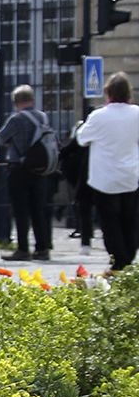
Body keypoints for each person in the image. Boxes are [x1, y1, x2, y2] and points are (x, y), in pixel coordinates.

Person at [76, 71, 139, 270]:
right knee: (130, 221)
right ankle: (128, 258)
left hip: (104, 179)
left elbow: (81, 138)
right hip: (130, 176)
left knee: (110, 223)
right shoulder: (137, 113)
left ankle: (119, 261)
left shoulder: (98, 116)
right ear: (129, 93)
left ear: (108, 93)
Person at [0, 86, 56, 261]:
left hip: (20, 168)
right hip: (40, 169)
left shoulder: (17, 119)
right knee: (38, 209)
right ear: (32, 99)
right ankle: (42, 248)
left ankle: (23, 248)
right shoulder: (43, 117)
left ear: (16, 102)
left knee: (21, 210)